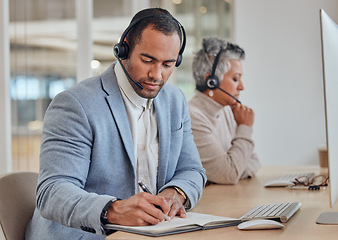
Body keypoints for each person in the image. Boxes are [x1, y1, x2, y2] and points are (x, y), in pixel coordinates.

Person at [25, 8, 206, 240]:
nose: (157, 75)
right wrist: (113, 210)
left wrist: (175, 192)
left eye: (168, 64)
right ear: (124, 49)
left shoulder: (175, 100)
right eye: (148, 60)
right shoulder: (75, 104)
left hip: (150, 232)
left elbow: (191, 169)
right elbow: (52, 192)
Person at [188, 37, 260, 185]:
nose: (241, 87)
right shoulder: (193, 117)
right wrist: (244, 127)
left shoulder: (227, 110)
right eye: (235, 79)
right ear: (211, 82)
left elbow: (254, 160)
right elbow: (229, 174)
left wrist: (237, 168)